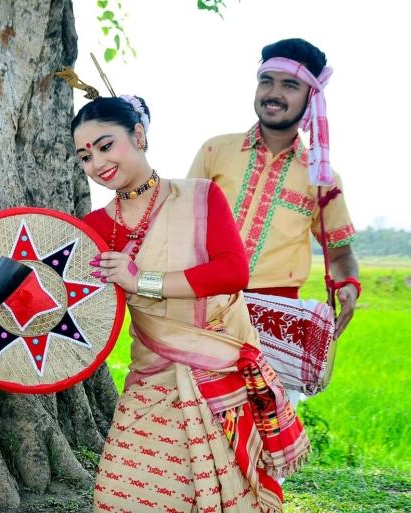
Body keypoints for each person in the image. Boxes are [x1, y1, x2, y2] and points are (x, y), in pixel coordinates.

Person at [72, 95, 309, 512]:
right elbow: (87, 309)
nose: (97, 163)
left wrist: (139, 280)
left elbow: (232, 272)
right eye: (84, 157)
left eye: (106, 146)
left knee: (219, 494)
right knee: (119, 495)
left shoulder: (200, 197)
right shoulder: (94, 228)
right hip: (150, 375)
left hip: (215, 371)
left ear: (139, 136)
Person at [187, 39, 359, 396]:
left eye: (289, 85)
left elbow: (340, 253)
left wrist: (348, 285)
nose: (273, 93)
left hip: (276, 322)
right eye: (267, 81)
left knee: (267, 430)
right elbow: (180, 223)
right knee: (194, 418)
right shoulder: (215, 151)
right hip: (205, 307)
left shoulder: (321, 177)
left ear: (311, 97)